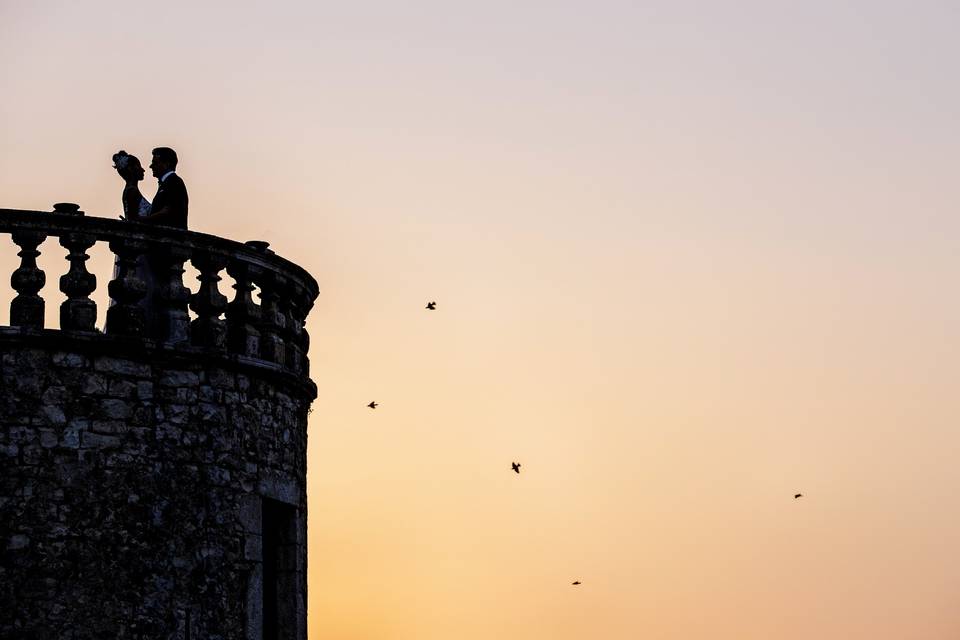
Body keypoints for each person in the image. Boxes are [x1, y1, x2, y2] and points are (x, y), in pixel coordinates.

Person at [110, 151, 154, 313]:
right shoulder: (132, 192)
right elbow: (135, 220)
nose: (143, 170)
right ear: (132, 170)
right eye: (139, 167)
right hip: (140, 250)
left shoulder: (130, 190)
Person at [142, 147, 188, 229]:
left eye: (155, 163)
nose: (151, 166)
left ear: (167, 164)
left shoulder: (174, 181)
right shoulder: (167, 182)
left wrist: (141, 220)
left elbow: (168, 211)